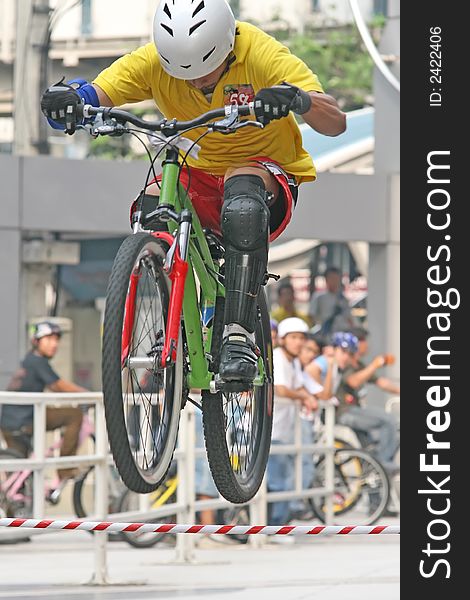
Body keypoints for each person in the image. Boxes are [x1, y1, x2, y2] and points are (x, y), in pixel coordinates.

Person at [40, 0, 346, 389]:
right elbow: (95, 94)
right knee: (151, 206)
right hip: (196, 170)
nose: (198, 84)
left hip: (260, 169)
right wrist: (68, 102)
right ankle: (173, 320)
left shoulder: (261, 52)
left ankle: (238, 334)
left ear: (228, 48)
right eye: (184, 76)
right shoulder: (152, 61)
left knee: (243, 202)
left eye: (207, 72)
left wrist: (298, 100)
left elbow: (335, 122)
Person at [0, 321, 85, 490]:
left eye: (56, 339)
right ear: (36, 341)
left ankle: (14, 509)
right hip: (25, 419)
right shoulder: (37, 361)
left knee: (17, 477)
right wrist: (88, 394)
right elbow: (59, 386)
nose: (55, 344)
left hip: (9, 422)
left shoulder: (29, 361)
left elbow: (54, 387)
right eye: (49, 339)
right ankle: (65, 469)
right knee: (74, 414)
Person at [267, 317, 318, 529]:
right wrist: (304, 398)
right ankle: (275, 527)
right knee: (279, 483)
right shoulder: (278, 357)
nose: (298, 343)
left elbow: (300, 385)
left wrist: (307, 396)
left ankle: (277, 525)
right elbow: (281, 389)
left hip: (283, 431)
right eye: (294, 338)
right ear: (283, 339)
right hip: (271, 432)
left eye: (301, 338)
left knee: (284, 481)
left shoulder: (294, 362)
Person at [335, 326, 400, 468]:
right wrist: (375, 365)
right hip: (345, 412)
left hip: (355, 411)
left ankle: (372, 471)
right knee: (390, 421)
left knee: (376, 442)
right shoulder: (345, 361)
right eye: (363, 340)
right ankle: (383, 466)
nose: (367, 344)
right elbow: (353, 381)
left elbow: (381, 382)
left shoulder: (358, 364)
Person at [309, 266, 357, 335]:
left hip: (342, 333)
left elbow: (349, 317)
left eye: (336, 278)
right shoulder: (318, 297)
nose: (334, 281)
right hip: (325, 333)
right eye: (332, 278)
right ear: (326, 279)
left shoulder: (343, 299)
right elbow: (311, 316)